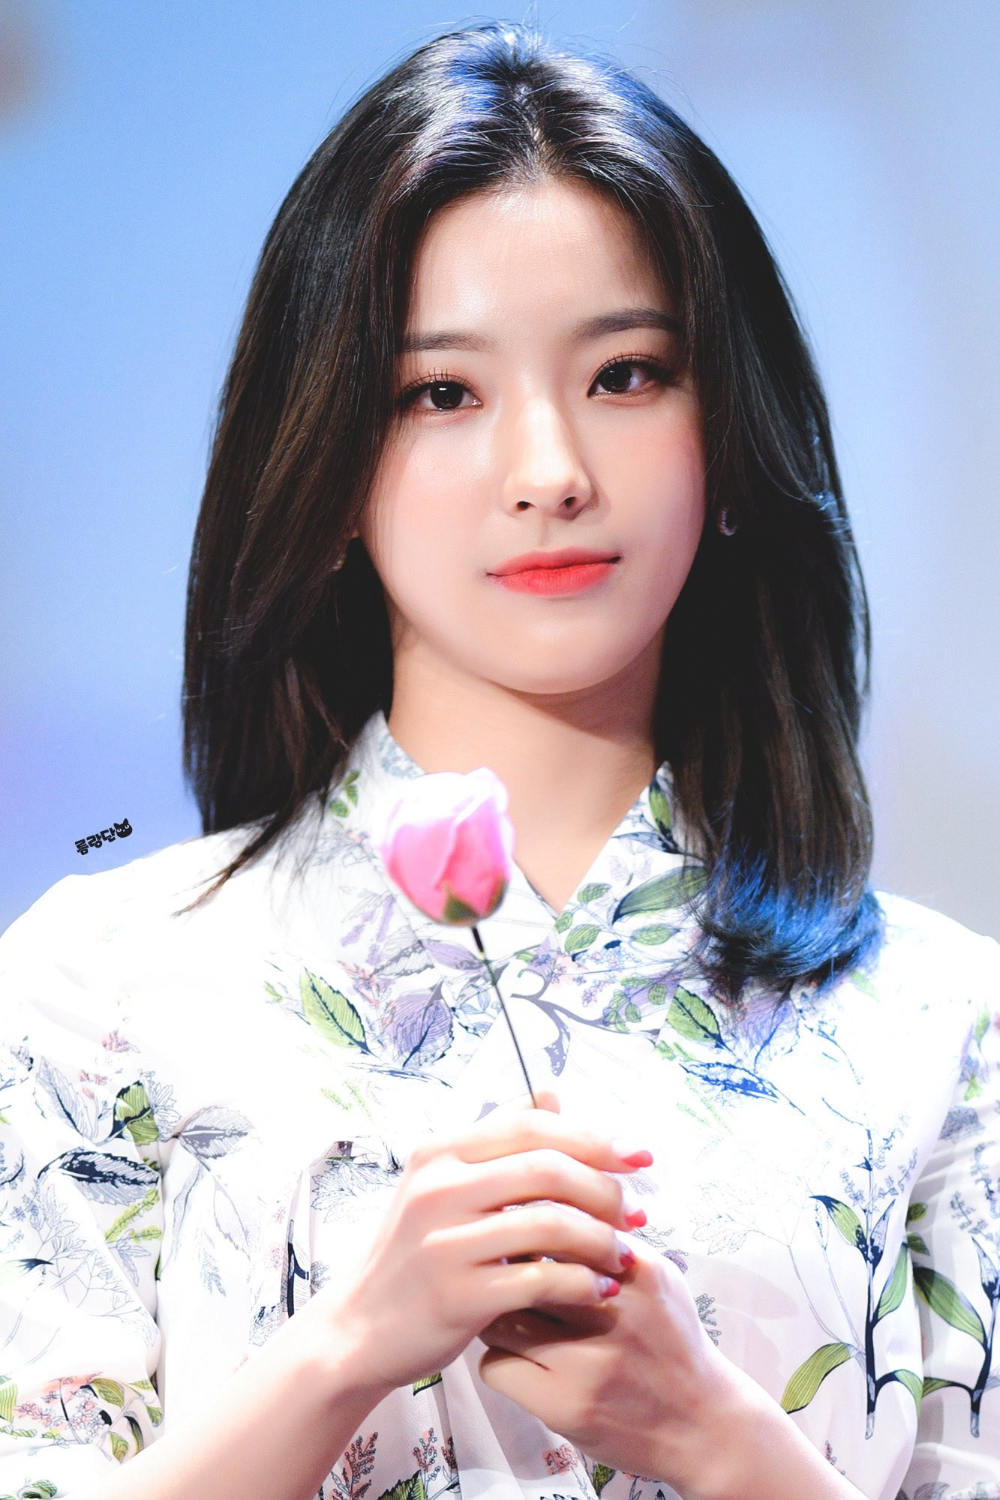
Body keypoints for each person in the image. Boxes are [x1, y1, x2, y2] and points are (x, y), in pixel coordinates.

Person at [1, 18, 997, 1500]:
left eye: (627, 374)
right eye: (442, 394)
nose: (550, 472)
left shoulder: (942, 1027)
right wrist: (344, 1349)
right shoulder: (104, 993)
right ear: (327, 465)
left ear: (730, 436)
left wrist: (718, 1442)